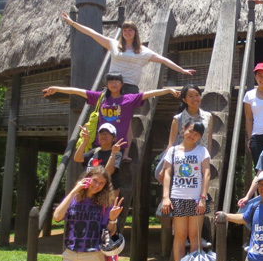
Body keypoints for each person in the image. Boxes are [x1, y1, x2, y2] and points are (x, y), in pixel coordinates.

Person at [42, 72, 180, 156]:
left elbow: (148, 94)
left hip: (118, 145)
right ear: (107, 84)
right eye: (110, 81)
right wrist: (56, 89)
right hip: (100, 142)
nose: (113, 84)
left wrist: (167, 91)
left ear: (121, 84)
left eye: (116, 81)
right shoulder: (101, 97)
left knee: (111, 176)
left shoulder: (129, 99)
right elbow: (77, 91)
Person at [61, 12, 195, 93]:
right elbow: (92, 33)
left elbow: (164, 60)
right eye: (125, 31)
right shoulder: (113, 44)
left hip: (130, 87)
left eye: (130, 30)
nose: (127, 33)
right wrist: (73, 23)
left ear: (135, 32)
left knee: (127, 120)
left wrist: (181, 70)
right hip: (113, 85)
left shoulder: (143, 51)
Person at [161, 120, 211, 261]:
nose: (192, 135)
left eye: (196, 134)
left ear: (200, 137)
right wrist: (166, 197)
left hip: (196, 199)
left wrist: (203, 197)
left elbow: (206, 174)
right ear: (183, 130)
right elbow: (167, 173)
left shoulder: (202, 151)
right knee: (180, 236)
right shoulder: (173, 151)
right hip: (178, 197)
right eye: (190, 131)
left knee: (195, 236)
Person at [157, 84, 214, 184]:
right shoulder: (178, 119)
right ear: (184, 99)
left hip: (200, 162)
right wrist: (165, 167)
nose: (195, 98)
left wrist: (207, 161)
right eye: (190, 96)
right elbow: (171, 144)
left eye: (197, 95)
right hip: (182, 162)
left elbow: (209, 140)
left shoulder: (208, 117)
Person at [74, 123, 126, 192]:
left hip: (106, 192)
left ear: (114, 138)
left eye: (107, 133)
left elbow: (108, 172)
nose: (104, 135)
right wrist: (85, 141)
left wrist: (113, 153)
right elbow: (77, 158)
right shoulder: (95, 151)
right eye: (101, 133)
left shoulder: (116, 153)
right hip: (89, 190)